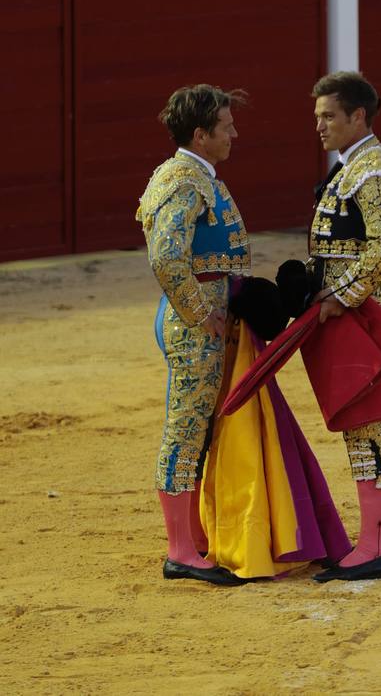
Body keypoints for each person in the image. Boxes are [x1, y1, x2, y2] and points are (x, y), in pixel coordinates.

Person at [136, 84, 251, 586]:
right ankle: (181, 550)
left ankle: (194, 537)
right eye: (226, 126)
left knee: (198, 426)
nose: (234, 133)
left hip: (203, 318)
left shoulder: (194, 174)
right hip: (192, 325)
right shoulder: (184, 180)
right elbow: (166, 257)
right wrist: (201, 311)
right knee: (185, 428)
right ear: (201, 135)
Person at [307, 72, 381, 583]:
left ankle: (371, 547)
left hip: (359, 313)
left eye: (329, 116)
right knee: (374, 426)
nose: (320, 126)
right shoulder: (352, 167)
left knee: (365, 426)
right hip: (350, 311)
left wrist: (342, 295)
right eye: (317, 117)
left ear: (358, 117)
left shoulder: (371, 169)